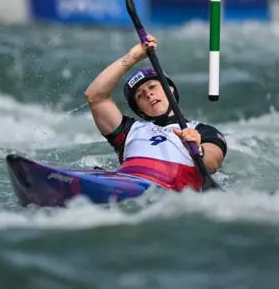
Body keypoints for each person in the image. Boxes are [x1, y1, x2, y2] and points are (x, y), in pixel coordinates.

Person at [84, 33, 227, 192]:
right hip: (124, 183)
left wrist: (196, 149)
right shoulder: (129, 131)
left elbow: (212, 163)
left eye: (152, 87)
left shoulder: (201, 131)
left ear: (171, 90)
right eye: (140, 95)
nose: (148, 94)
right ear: (140, 109)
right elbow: (95, 97)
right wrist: (132, 57)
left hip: (168, 191)